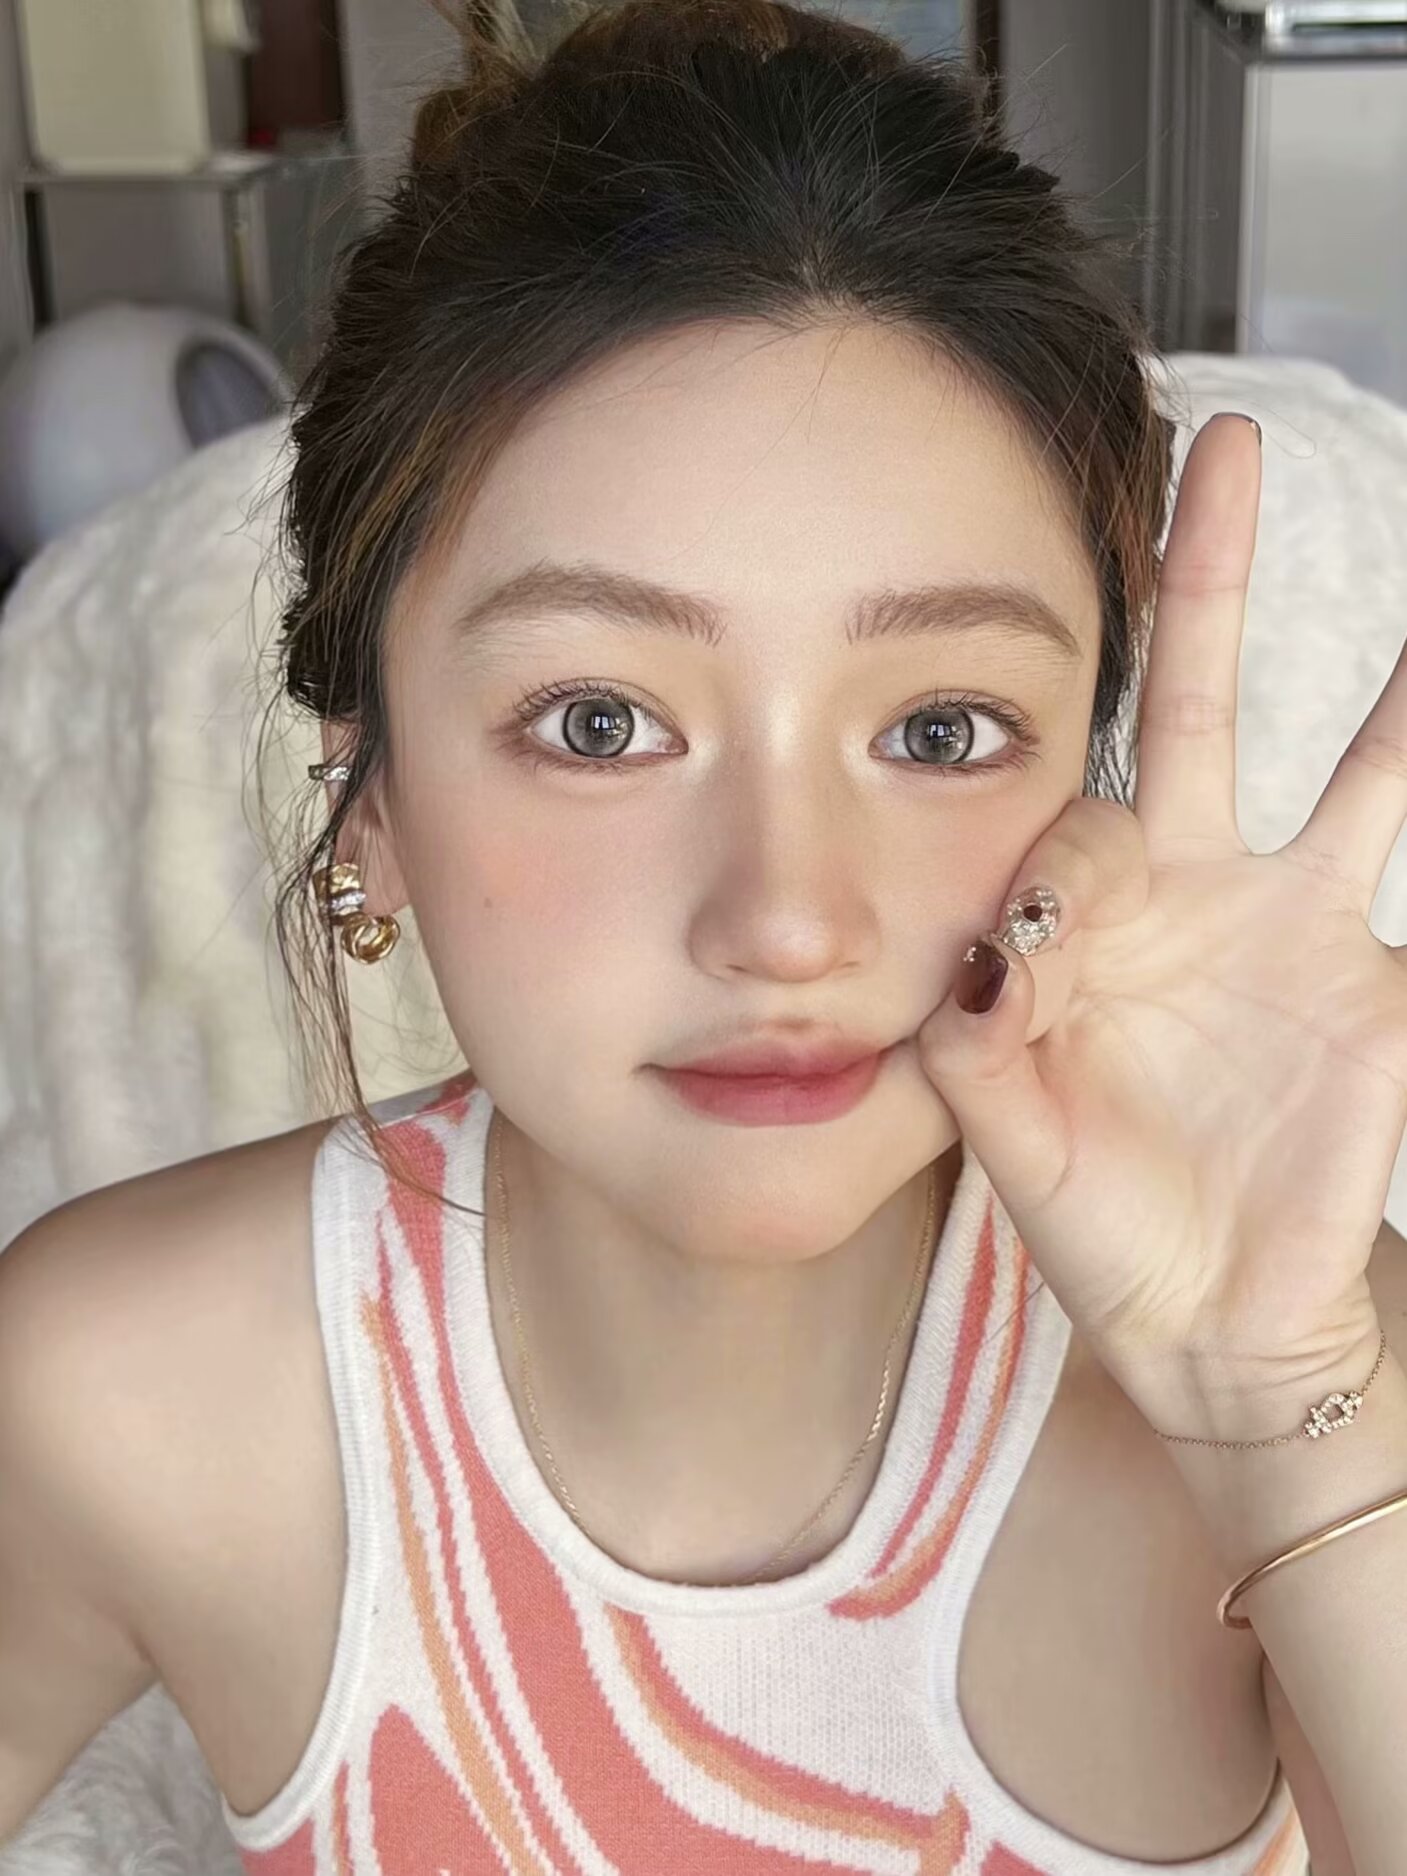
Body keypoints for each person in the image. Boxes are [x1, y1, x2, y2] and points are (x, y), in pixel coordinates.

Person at [10, 0, 1397, 1869]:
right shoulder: (126, 1391)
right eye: (600, 723)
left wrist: (1281, 1417)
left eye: (940, 731)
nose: (790, 921)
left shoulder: (1326, 1354)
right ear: (374, 793)